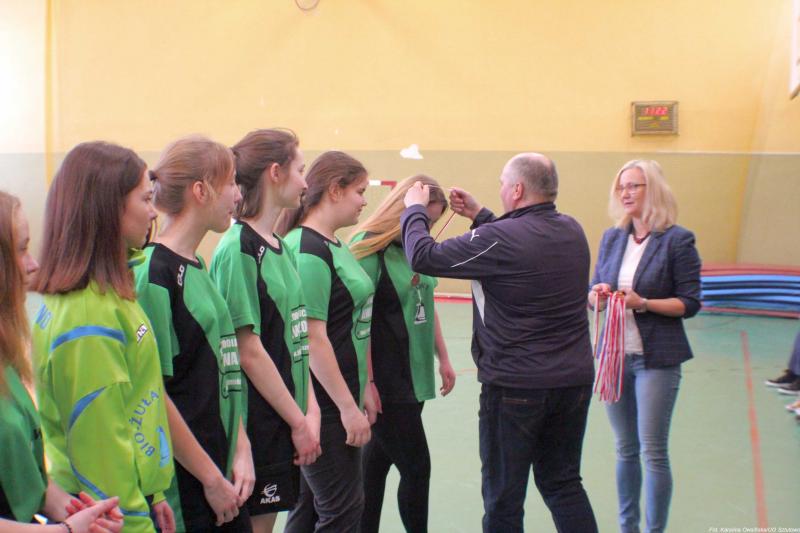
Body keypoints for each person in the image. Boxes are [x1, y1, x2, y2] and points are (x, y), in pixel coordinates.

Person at [401, 153, 598, 533]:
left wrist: (415, 212)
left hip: (516, 388)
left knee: (504, 498)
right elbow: (520, 245)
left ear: (517, 189)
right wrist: (481, 215)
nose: (502, 189)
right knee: (563, 483)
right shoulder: (572, 230)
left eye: (503, 184)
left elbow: (423, 257)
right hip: (572, 383)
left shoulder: (499, 238)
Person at [31, 142, 176, 533]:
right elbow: (101, 449)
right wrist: (136, 520)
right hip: (110, 517)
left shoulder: (110, 295)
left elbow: (134, 404)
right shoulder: (87, 317)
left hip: (131, 501)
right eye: (145, 199)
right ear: (109, 208)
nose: (153, 212)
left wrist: (154, 493)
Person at [133, 136, 254, 532]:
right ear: (200, 191)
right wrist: (209, 478)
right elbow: (155, 394)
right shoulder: (154, 274)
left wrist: (241, 448)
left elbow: (224, 372)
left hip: (223, 468)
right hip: (190, 484)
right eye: (231, 183)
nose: (238, 195)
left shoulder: (197, 263)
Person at [210, 129, 321, 533]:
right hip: (258, 420)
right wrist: (298, 421)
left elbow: (297, 339)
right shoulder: (238, 248)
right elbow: (247, 349)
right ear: (275, 173)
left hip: (284, 418)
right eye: (300, 170)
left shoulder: (281, 246)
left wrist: (311, 409)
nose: (306, 182)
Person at [0, 190, 125, 533]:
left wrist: (79, 512)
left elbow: (28, 480)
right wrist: (65, 530)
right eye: (21, 250)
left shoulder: (8, 359)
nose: (33, 264)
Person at [588, 159, 701, 533]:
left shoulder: (678, 240)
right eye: (621, 186)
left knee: (652, 451)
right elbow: (594, 290)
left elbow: (689, 303)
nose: (625, 193)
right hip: (614, 356)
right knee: (625, 449)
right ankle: (628, 527)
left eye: (633, 186)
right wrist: (596, 295)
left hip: (657, 359)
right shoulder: (612, 238)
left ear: (653, 190)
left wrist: (645, 303)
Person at [349, 175, 456, 533]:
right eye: (424, 218)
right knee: (417, 467)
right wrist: (368, 382)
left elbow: (427, 301)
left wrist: (444, 358)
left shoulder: (417, 248)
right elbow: (359, 323)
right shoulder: (367, 249)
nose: (426, 228)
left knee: (374, 467)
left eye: (431, 222)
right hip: (387, 383)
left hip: (414, 378)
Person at [281, 151, 376, 533]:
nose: (364, 201)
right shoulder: (307, 250)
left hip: (341, 395)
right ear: (335, 190)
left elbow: (349, 323)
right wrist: (347, 408)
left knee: (308, 508)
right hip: (324, 404)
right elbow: (312, 337)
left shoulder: (332, 243)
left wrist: (365, 386)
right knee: (342, 510)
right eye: (359, 191)